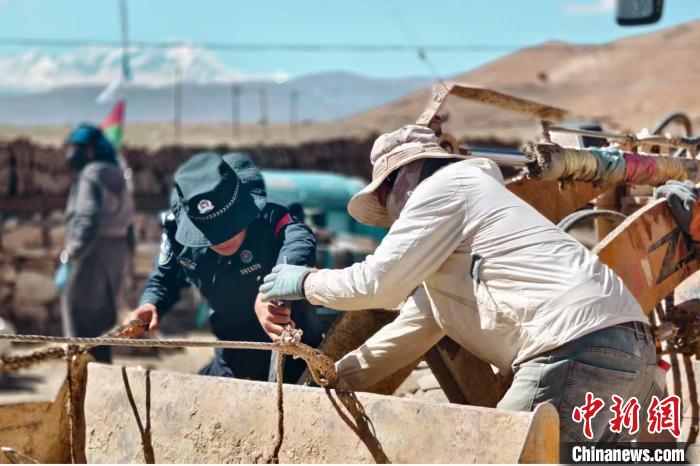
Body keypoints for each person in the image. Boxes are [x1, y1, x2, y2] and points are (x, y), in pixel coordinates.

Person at [259, 124, 659, 443]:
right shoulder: (466, 223)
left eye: (384, 198)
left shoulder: (442, 189)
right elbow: (407, 334)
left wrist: (307, 282)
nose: (391, 216)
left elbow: (377, 284)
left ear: (401, 179)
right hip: (632, 351)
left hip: (571, 349)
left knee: (503, 454)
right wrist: (333, 379)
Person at [122, 152, 321, 382]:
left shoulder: (271, 214)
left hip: (297, 356)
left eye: (228, 226)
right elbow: (165, 278)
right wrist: (150, 303)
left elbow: (300, 242)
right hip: (233, 357)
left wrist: (272, 290)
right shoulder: (176, 232)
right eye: (210, 232)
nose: (221, 239)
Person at [55, 123, 134, 363]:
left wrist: (71, 255)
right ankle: (101, 377)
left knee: (80, 326)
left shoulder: (90, 174)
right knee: (103, 326)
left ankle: (82, 380)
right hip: (116, 253)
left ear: (89, 150)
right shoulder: (118, 172)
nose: (70, 154)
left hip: (91, 256)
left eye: (75, 148)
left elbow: (87, 219)